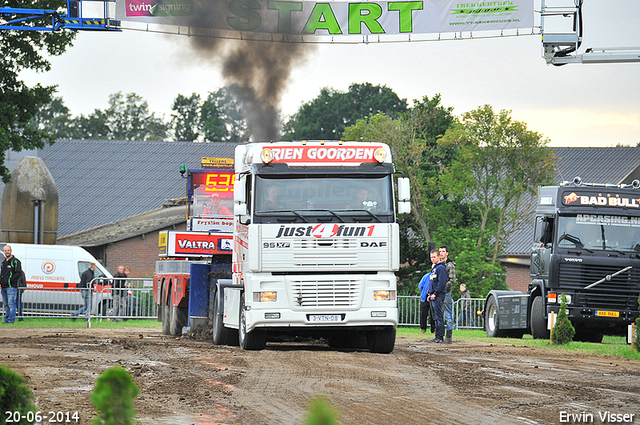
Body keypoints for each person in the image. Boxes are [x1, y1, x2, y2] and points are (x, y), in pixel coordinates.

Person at [427, 249, 447, 343]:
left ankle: (440, 336)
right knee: (435, 317)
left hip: (438, 296)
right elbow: (432, 282)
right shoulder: (434, 268)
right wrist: (429, 294)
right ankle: (436, 336)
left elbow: (441, 283)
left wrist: (435, 293)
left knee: (439, 317)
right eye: (431, 257)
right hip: (432, 295)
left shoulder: (441, 268)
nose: (432, 259)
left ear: (439, 256)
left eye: (434, 257)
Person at [1, 245, 23, 324]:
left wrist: (11, 280)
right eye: (5, 250)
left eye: (8, 250)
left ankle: (11, 320)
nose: (6, 252)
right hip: (3, 287)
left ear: (11, 251)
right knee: (6, 304)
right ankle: (7, 319)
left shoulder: (15, 261)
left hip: (11, 287)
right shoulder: (3, 263)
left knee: (11, 304)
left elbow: (19, 273)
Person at [439, 246, 456, 344]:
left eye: (443, 251)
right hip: (438, 293)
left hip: (445, 292)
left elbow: (453, 280)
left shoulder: (450, 265)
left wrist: (443, 287)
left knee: (447, 313)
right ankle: (439, 334)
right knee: (438, 313)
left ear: (447, 253)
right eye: (440, 251)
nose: (441, 253)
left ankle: (449, 335)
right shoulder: (437, 264)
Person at [417, 268, 432, 334]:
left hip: (433, 296)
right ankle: (423, 328)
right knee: (423, 313)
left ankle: (433, 329)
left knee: (433, 314)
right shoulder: (426, 276)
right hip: (425, 296)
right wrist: (424, 292)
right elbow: (421, 285)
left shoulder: (437, 277)